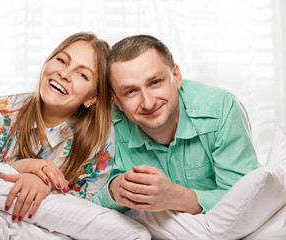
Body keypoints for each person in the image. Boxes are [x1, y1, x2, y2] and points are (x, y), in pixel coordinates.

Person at [92, 34, 259, 215]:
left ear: (176, 76)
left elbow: (247, 199)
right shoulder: (107, 126)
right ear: (116, 99)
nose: (148, 103)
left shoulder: (222, 108)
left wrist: (176, 197)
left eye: (155, 82)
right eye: (131, 91)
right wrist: (113, 191)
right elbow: (85, 201)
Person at [0, 32, 114, 221]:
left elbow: (86, 213)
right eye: (61, 60)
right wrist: (17, 169)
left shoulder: (99, 143)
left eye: (82, 74)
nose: (64, 74)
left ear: (93, 97)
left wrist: (46, 185)